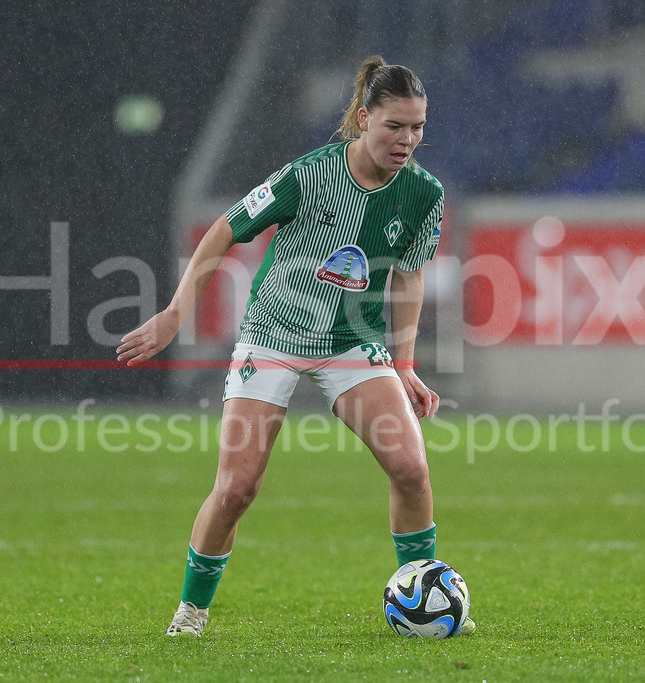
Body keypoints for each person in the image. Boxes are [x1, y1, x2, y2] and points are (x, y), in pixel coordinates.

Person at [117, 54, 473, 637]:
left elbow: (408, 275)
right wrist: (175, 314)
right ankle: (191, 611)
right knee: (236, 488)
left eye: (418, 127)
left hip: (351, 341)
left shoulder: (423, 194)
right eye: (394, 126)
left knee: (411, 467)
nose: (407, 139)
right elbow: (224, 228)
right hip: (274, 334)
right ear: (363, 118)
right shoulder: (309, 174)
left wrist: (405, 365)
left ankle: (422, 597)